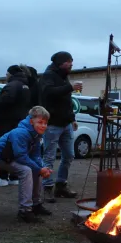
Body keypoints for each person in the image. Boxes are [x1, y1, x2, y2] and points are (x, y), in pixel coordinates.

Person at [0, 106, 53, 222]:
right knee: (26, 170)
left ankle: (35, 204)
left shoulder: (36, 134)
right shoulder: (21, 133)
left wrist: (42, 168)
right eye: (40, 122)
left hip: (10, 157)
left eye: (45, 123)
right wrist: (38, 169)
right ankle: (25, 210)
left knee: (36, 168)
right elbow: (20, 156)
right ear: (31, 121)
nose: (43, 126)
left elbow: (36, 156)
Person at [39, 51, 81, 202]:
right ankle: (47, 187)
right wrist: (70, 87)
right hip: (52, 124)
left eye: (72, 61)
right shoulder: (48, 75)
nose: (71, 64)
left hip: (66, 124)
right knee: (49, 156)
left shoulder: (64, 76)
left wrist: (72, 118)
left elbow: (66, 101)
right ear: (60, 63)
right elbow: (49, 93)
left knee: (69, 155)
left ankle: (61, 185)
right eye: (68, 61)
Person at [0, 65, 32, 187]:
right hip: (18, 122)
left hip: (7, 123)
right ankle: (14, 177)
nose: (6, 76)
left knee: (4, 148)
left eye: (6, 74)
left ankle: (3, 177)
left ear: (11, 74)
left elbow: (6, 99)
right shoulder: (25, 86)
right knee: (15, 149)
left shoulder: (13, 85)